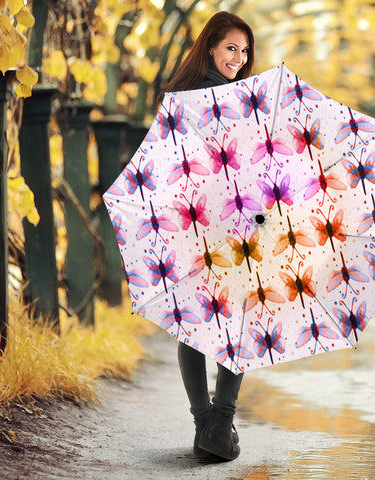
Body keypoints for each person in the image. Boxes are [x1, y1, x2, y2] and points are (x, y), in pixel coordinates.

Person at [161, 11, 255, 462]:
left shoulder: (178, 96)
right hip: (228, 222)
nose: (238, 57)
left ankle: (206, 425)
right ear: (211, 48)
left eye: (243, 49)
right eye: (230, 48)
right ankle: (220, 421)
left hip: (190, 221)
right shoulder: (228, 99)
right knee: (236, 319)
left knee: (194, 322)